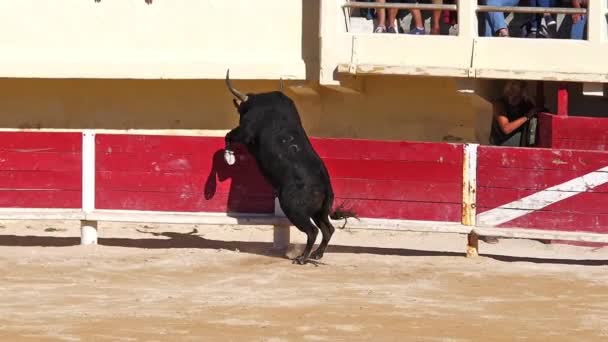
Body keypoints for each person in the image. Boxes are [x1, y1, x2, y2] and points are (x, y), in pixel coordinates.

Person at [489, 80, 536, 147]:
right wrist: (526, 117)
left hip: (519, 145)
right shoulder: (499, 104)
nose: (513, 98)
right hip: (498, 145)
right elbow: (506, 129)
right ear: (507, 92)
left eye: (518, 95)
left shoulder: (523, 105)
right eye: (511, 93)